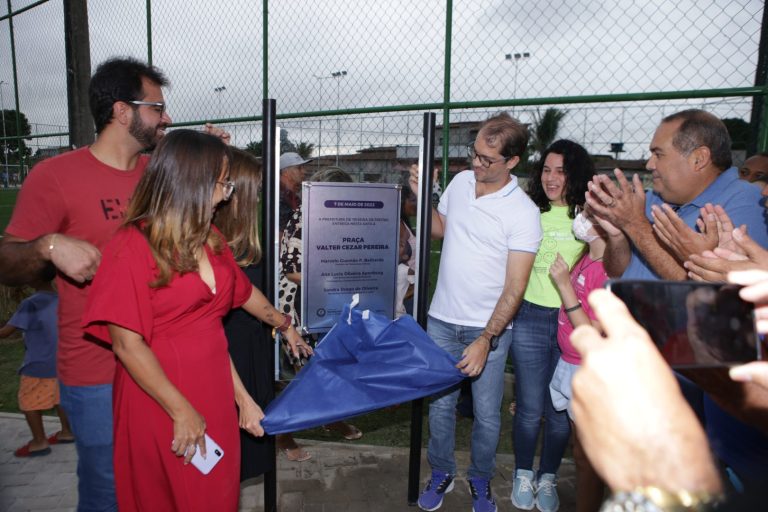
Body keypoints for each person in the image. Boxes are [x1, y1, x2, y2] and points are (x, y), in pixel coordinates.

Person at [81, 130, 311, 511]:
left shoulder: (210, 238)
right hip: (160, 398)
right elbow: (126, 344)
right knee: (169, 497)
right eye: (224, 183)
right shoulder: (132, 246)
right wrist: (180, 410)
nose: (229, 193)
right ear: (193, 183)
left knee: (215, 496)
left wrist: (242, 398)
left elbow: (216, 324)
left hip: (214, 393)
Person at [0, 57, 172, 511]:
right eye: (156, 107)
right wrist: (49, 246)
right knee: (108, 489)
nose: (166, 117)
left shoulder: (159, 175)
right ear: (121, 111)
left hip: (165, 360)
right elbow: (6, 262)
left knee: (157, 479)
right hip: (97, 370)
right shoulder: (54, 176)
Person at [414, 112, 541, 512]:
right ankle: (442, 471)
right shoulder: (460, 182)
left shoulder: (523, 212)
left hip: (488, 329)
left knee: (486, 415)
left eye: (488, 160)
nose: (476, 164)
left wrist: (486, 339)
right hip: (441, 318)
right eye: (475, 154)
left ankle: (481, 479)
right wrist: (421, 198)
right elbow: (440, 229)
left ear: (512, 162)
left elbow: (516, 287)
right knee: (440, 406)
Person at [509, 139, 595, 512]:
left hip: (570, 323)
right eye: (546, 169)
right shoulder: (529, 212)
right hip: (528, 317)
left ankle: (548, 477)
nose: (551, 177)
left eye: (561, 170)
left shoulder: (587, 217)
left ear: (575, 174)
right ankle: (522, 473)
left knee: (560, 410)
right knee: (529, 408)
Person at [585, 109, 768, 281]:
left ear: (699, 159)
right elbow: (617, 271)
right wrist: (617, 235)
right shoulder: (653, 198)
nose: (649, 164)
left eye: (659, 154)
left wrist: (634, 225)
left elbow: (712, 289)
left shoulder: (749, 203)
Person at [277, 166, 363, 461]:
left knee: (331, 369)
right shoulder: (302, 220)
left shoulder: (345, 219)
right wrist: (337, 275)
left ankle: (330, 417)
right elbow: (293, 271)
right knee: (304, 376)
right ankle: (283, 434)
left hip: (331, 303)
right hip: (298, 306)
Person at [212, 148, 275, 481]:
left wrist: (283, 326)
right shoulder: (210, 244)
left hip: (253, 346)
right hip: (230, 353)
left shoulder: (245, 240)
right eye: (258, 187)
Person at [548, 210, 607, 512]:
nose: (580, 217)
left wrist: (564, 286)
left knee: (587, 456)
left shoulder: (606, 269)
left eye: (588, 213)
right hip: (571, 364)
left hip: (587, 371)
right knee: (581, 452)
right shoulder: (587, 256)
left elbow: (593, 333)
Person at [1, 271, 75, 458]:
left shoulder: (30, 303)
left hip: (38, 364)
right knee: (59, 398)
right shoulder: (63, 300)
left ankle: (39, 441)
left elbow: (5, 332)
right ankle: (67, 432)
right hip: (62, 361)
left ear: (31, 278)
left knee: (28, 403)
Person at [279, 152, 311, 230]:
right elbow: (280, 239)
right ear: (286, 172)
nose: (304, 171)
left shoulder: (292, 197)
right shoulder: (278, 200)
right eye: (299, 168)